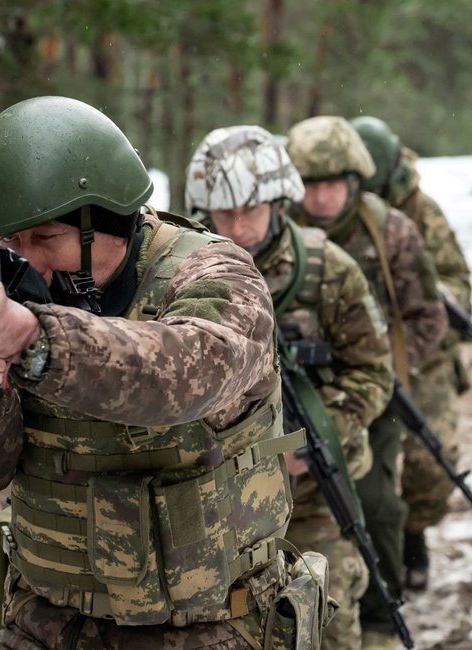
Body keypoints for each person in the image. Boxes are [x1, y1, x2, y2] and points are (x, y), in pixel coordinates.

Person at [0, 96, 331, 650]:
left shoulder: (215, 274)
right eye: (11, 242)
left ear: (107, 219)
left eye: (47, 239)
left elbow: (184, 378)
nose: (30, 262)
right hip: (47, 623)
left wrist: (32, 340)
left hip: (212, 627)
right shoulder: (6, 298)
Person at [185, 125, 395, 650]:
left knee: (326, 613)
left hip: (314, 489)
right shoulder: (179, 272)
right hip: (214, 495)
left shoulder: (328, 271)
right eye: (221, 212)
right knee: (231, 623)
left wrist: (306, 441)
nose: (236, 225)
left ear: (278, 202)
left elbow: (372, 372)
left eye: (249, 210)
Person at [285, 116, 448, 650]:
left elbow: (428, 316)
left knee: (375, 507)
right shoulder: (277, 233)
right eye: (310, 183)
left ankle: (380, 615)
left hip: (370, 395)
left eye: (333, 183)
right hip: (288, 398)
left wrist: (381, 369)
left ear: (355, 181)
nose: (322, 196)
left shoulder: (391, 230)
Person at [351, 115, 472, 591]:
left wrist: (429, 295)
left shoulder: (422, 212)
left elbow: (458, 281)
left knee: (428, 463)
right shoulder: (340, 211)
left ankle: (414, 532)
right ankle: (377, 548)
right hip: (362, 350)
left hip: (423, 352)